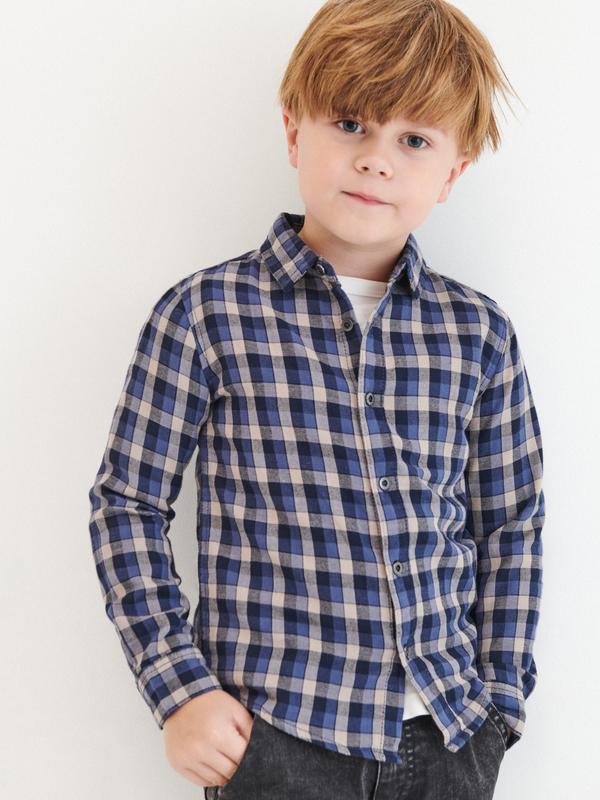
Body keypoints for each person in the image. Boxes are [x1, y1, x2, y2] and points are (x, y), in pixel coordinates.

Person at [87, 1, 545, 798]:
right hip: (278, 739)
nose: (376, 161)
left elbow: (511, 524)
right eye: (351, 124)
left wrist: (500, 705)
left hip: (447, 737)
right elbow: (127, 504)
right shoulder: (205, 315)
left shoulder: (480, 334)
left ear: (454, 171)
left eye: (413, 140)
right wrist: (179, 688)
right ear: (295, 131)